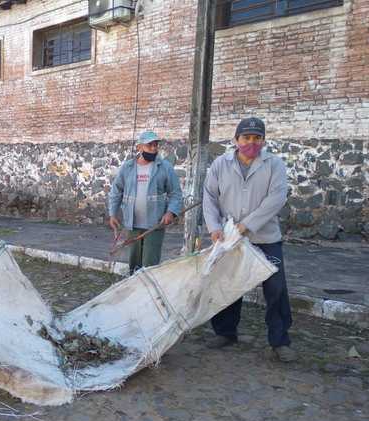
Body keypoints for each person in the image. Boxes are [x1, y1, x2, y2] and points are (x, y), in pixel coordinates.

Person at [202, 117, 296, 362]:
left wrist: (249, 224)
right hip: (231, 237)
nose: (251, 143)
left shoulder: (274, 165)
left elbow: (276, 198)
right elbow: (210, 197)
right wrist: (213, 227)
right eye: (246, 138)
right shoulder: (221, 164)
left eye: (257, 138)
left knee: (275, 288)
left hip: (266, 237)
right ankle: (225, 332)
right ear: (236, 140)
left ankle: (280, 340)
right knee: (228, 285)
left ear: (263, 141)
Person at [108, 131, 183, 274]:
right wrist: (112, 214)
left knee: (150, 265)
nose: (154, 148)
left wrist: (170, 212)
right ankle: (134, 290)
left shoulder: (165, 167)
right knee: (134, 263)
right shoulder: (128, 167)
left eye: (156, 145)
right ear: (139, 148)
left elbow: (176, 193)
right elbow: (116, 190)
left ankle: (149, 293)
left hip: (155, 224)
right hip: (132, 223)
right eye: (150, 145)